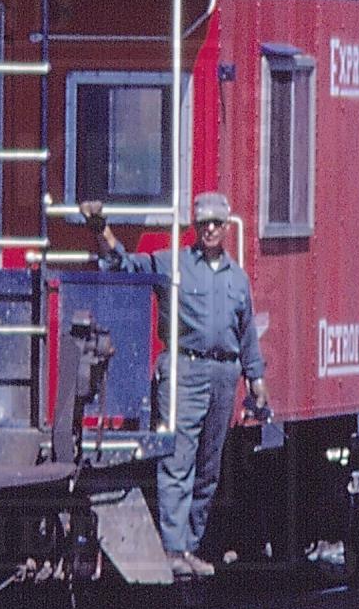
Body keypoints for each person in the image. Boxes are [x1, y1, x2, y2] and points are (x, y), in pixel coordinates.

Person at [79, 190, 269, 579]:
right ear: (196, 228)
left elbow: (246, 330)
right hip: (185, 370)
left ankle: (189, 546)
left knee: (208, 468)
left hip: (224, 375)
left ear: (227, 226)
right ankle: (174, 548)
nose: (211, 229)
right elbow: (125, 265)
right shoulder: (176, 265)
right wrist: (101, 228)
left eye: (217, 223)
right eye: (204, 224)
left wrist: (256, 377)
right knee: (177, 462)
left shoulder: (238, 278)